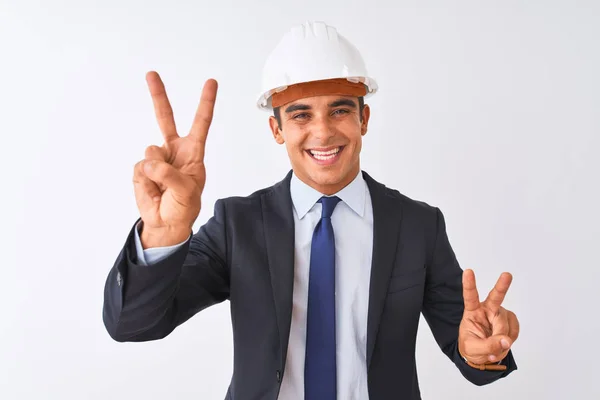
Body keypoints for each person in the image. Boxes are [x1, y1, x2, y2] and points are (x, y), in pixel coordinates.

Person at [103, 21, 519, 400]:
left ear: (364, 119)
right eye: (301, 115)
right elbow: (134, 324)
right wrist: (162, 235)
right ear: (277, 129)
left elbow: (469, 343)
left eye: (340, 110)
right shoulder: (238, 225)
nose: (323, 131)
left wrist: (481, 351)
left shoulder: (417, 225)